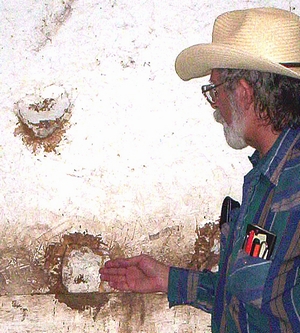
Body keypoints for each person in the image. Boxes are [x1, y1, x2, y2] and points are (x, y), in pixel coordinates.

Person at [100, 7, 300, 332]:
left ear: (244, 93)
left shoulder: (292, 185)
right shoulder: (267, 178)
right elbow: (259, 295)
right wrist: (171, 280)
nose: (215, 109)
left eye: (214, 91)